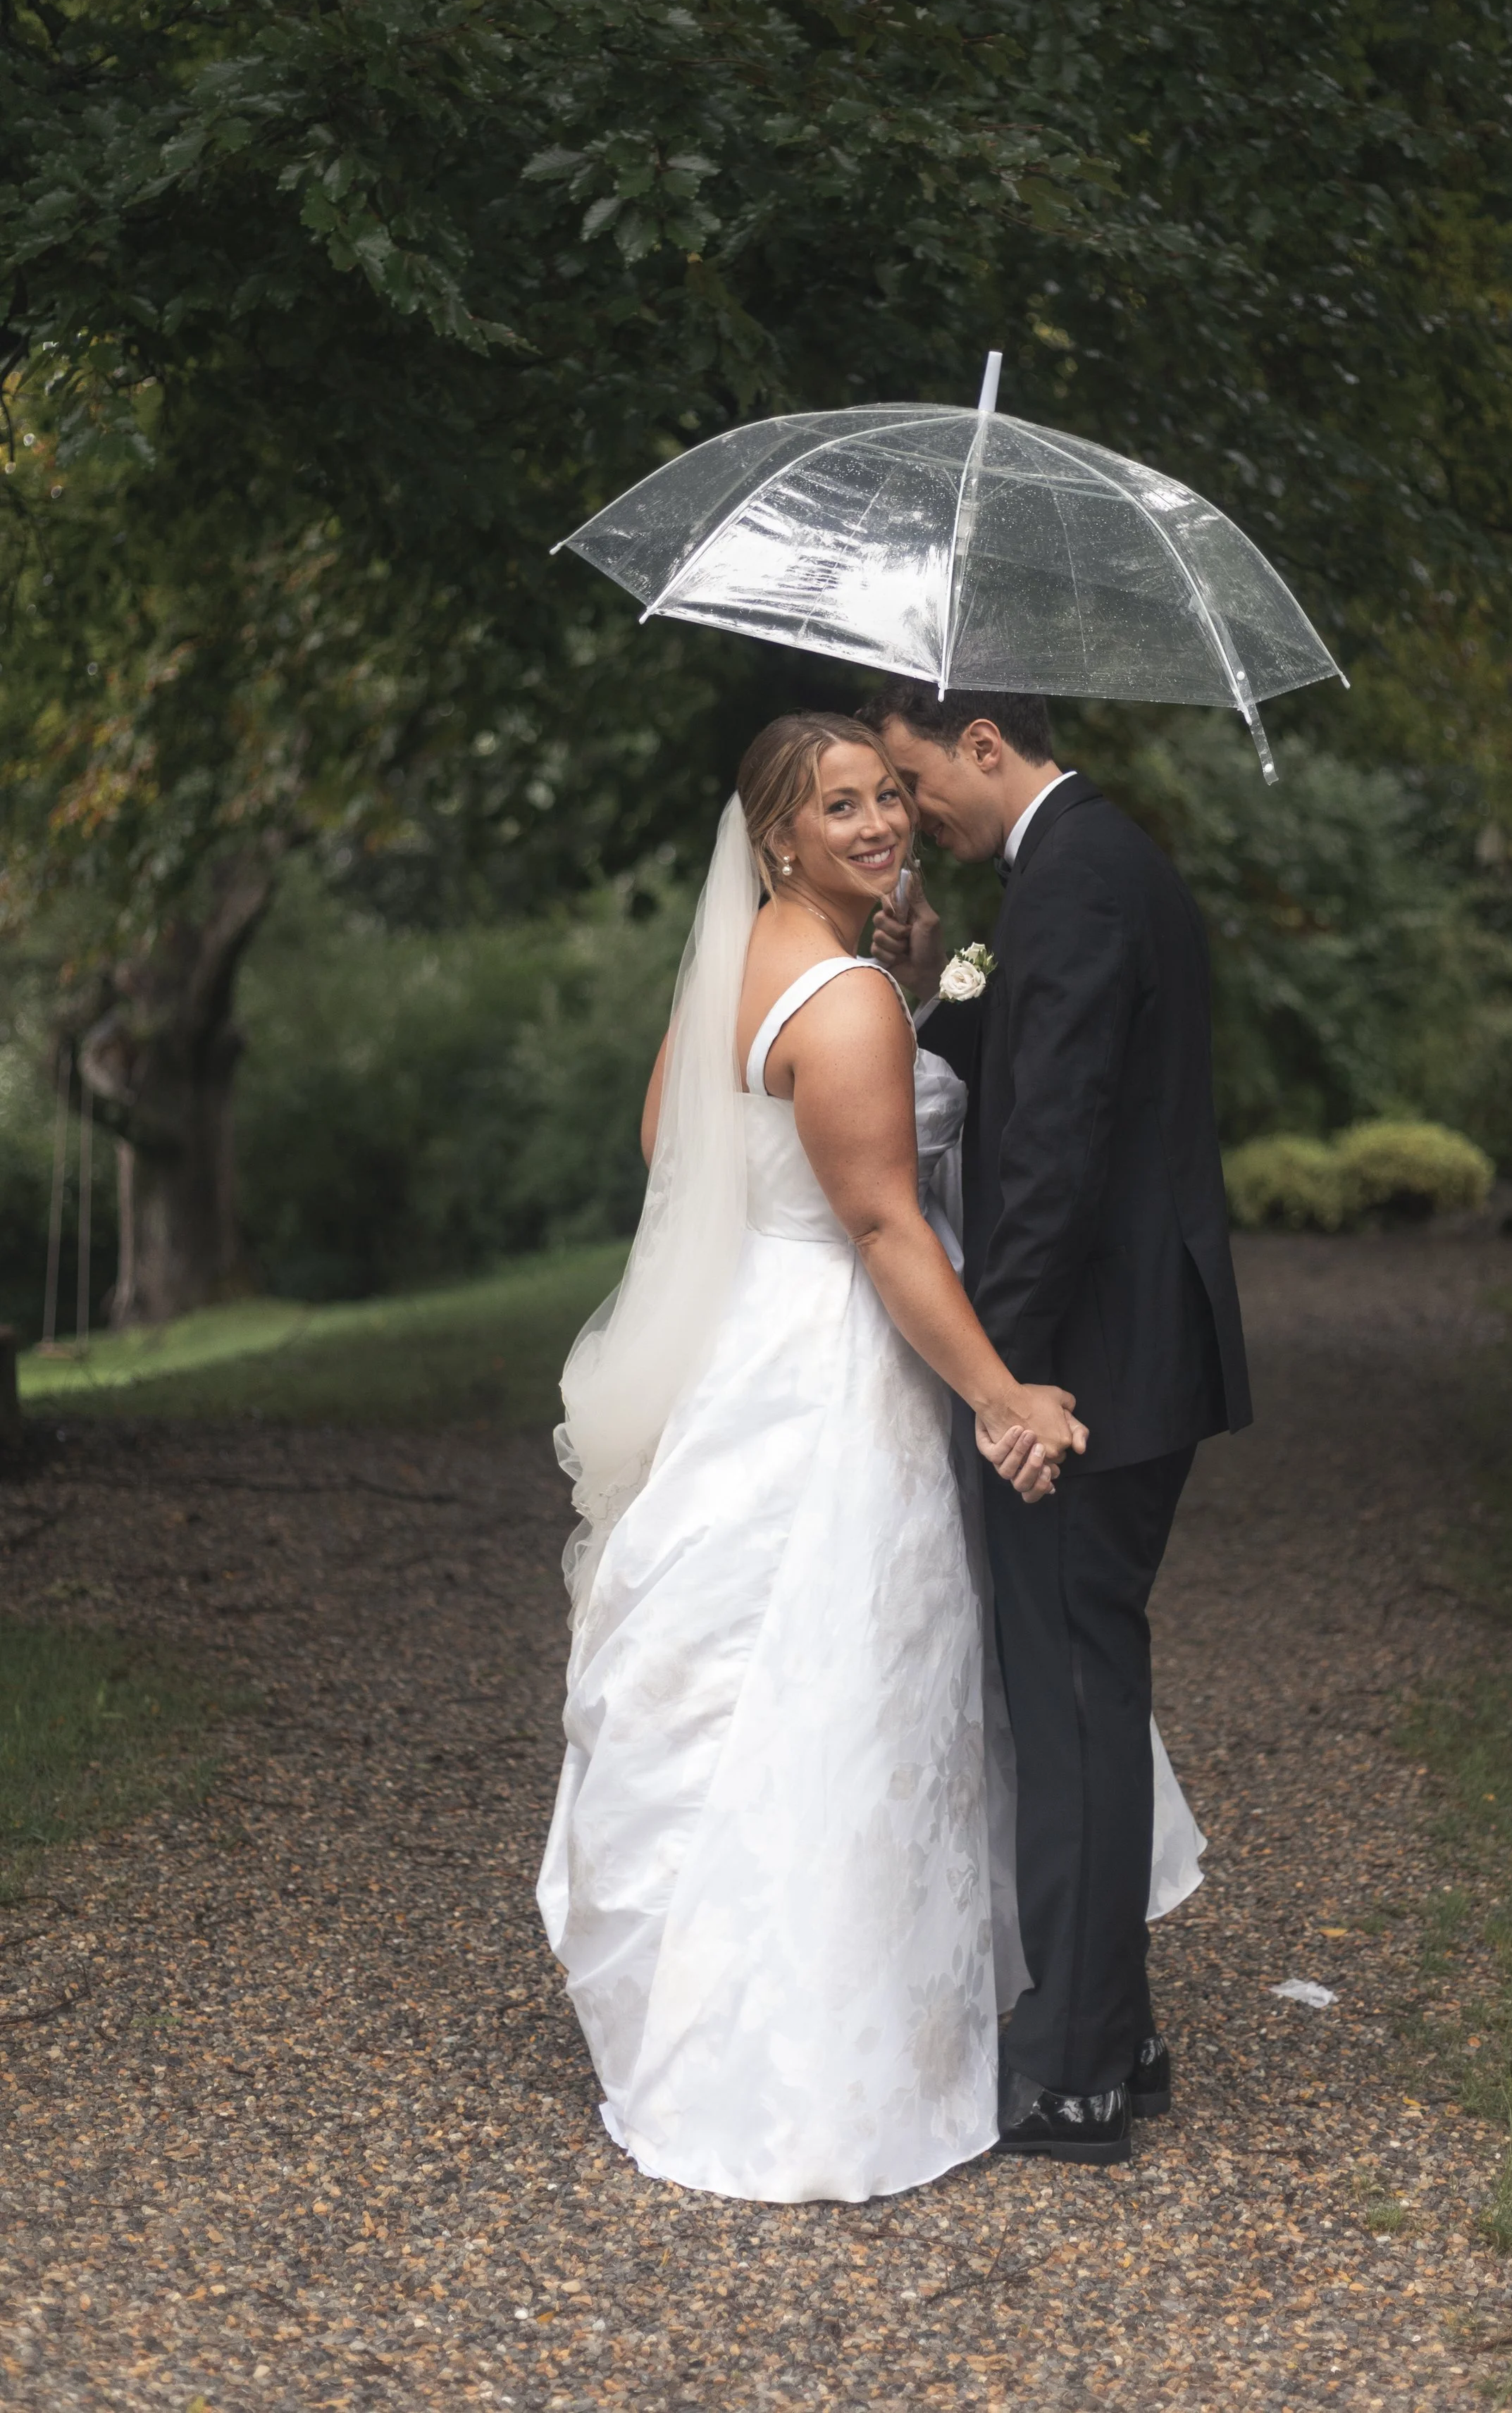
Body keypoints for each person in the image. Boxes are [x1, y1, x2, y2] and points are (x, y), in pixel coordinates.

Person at [536, 713, 1086, 2204]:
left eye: (887, 799)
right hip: (838, 1364)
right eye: (838, 808)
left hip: (746, 1343)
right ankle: (820, 2056)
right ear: (776, 833)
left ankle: (708, 1996)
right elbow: (888, 1231)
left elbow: (672, 1130)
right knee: (844, 1670)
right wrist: (997, 1396)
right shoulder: (841, 1006)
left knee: (736, 1676)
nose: (879, 825)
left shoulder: (747, 967)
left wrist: (911, 988)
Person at [865, 684, 1251, 2164]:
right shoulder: (1072, 867)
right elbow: (1013, 1045)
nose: (908, 817)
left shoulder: (1077, 874)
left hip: (1085, 1363)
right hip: (1118, 1349)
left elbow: (1052, 1153)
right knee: (1078, 1690)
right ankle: (1119, 2028)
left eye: (911, 779)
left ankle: (1077, 2070)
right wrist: (931, 973)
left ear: (982, 743)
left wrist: (1003, 1384)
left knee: (1074, 1702)